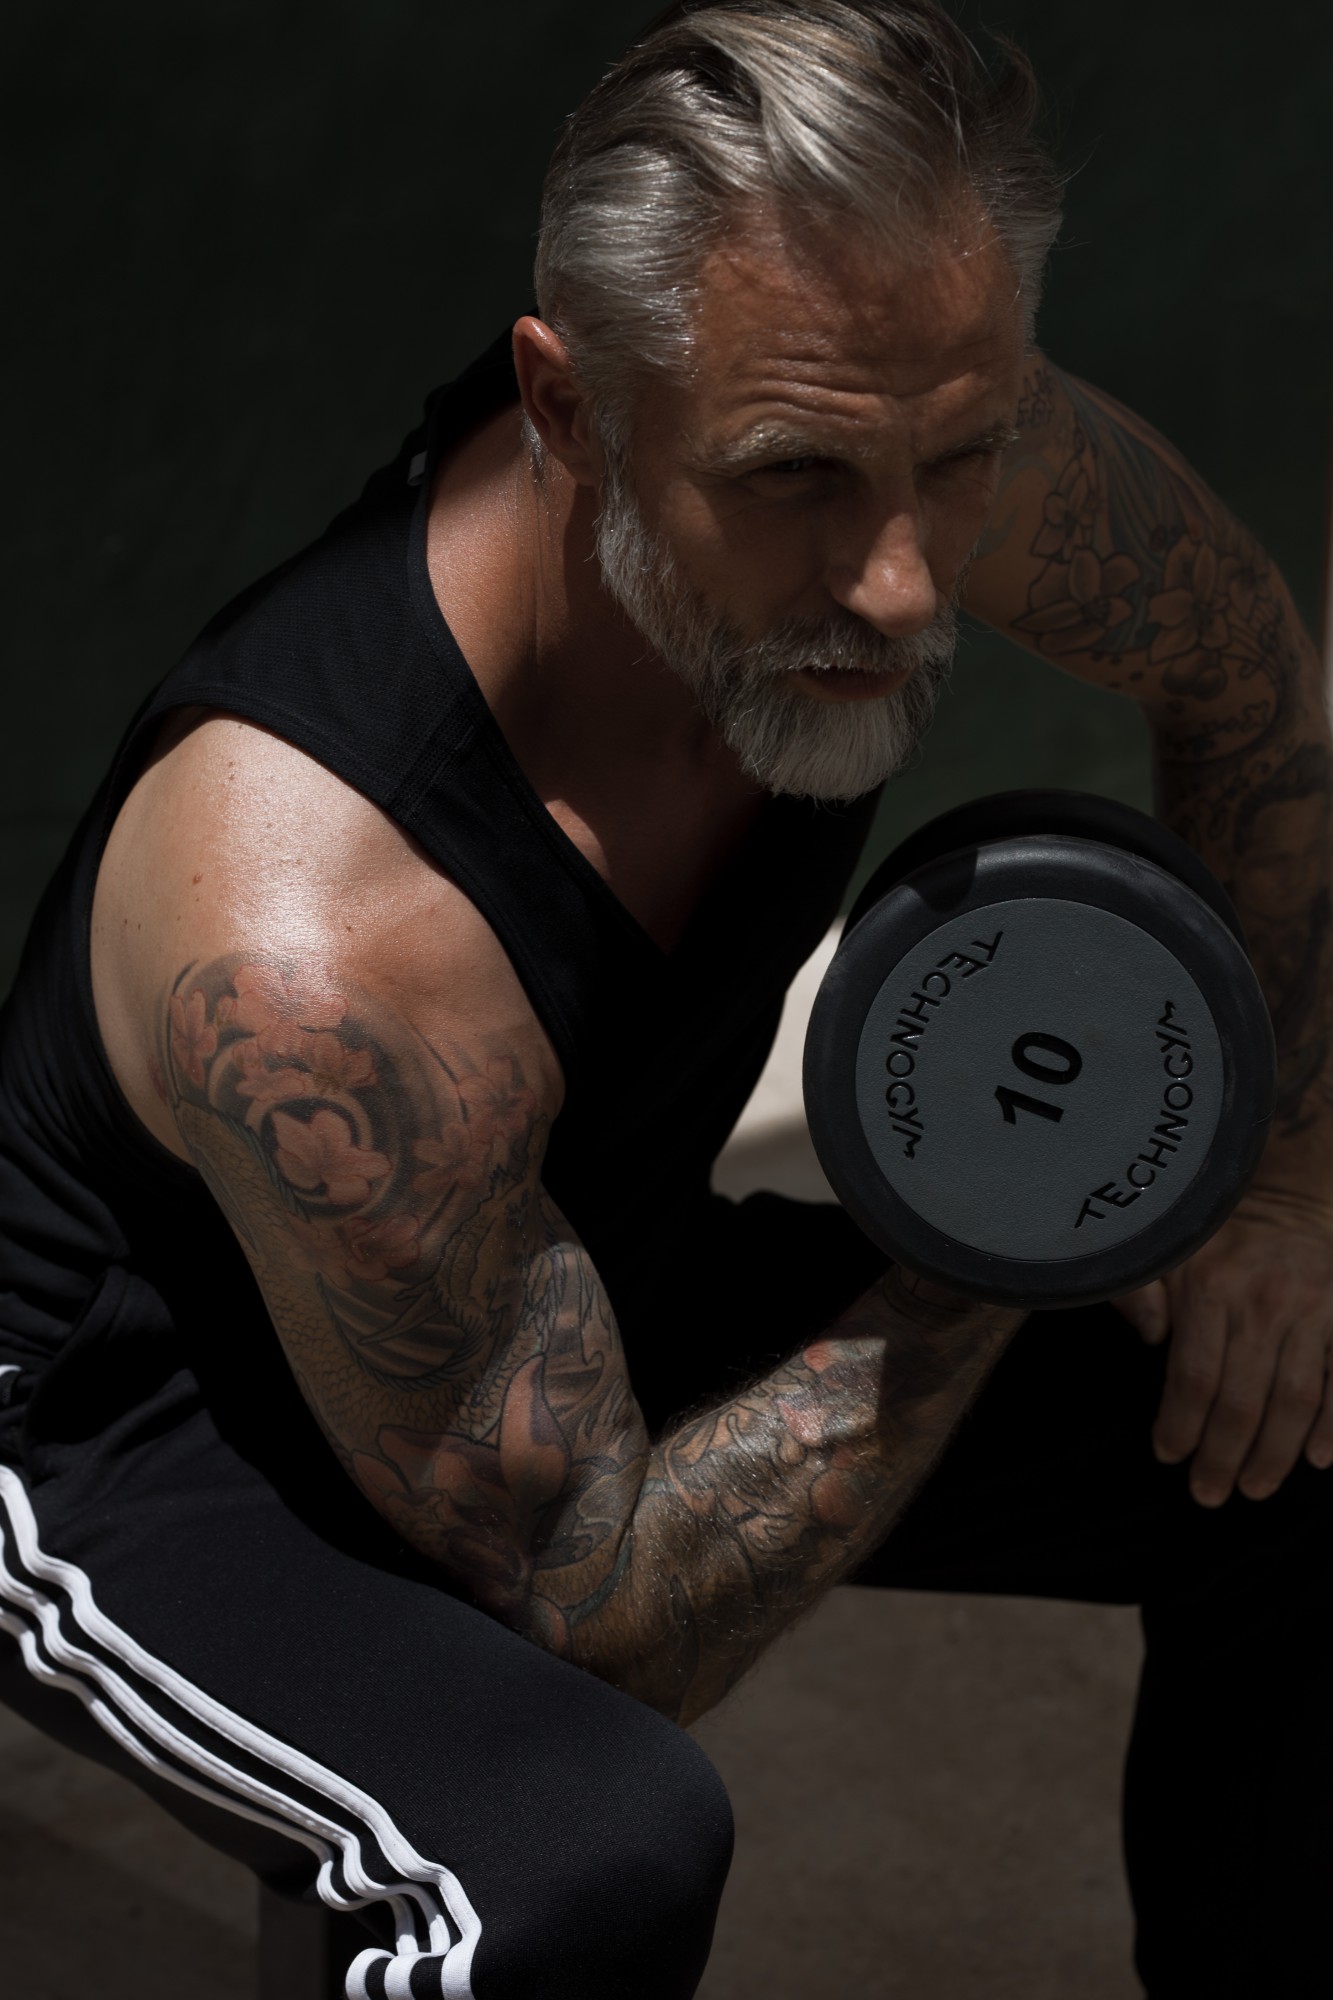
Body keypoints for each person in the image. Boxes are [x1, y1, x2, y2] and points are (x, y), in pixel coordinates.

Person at [2, 2, 1330, 1995]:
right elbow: (599, 1611)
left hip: (560, 1256)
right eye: (794, 476)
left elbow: (1235, 665)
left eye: (957, 456)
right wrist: (1006, 1227)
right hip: (133, 1425)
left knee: (1299, 1413)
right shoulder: (322, 944)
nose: (899, 583)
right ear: (568, 410)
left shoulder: (875, 438)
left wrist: (1282, 1192)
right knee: (573, 1852)